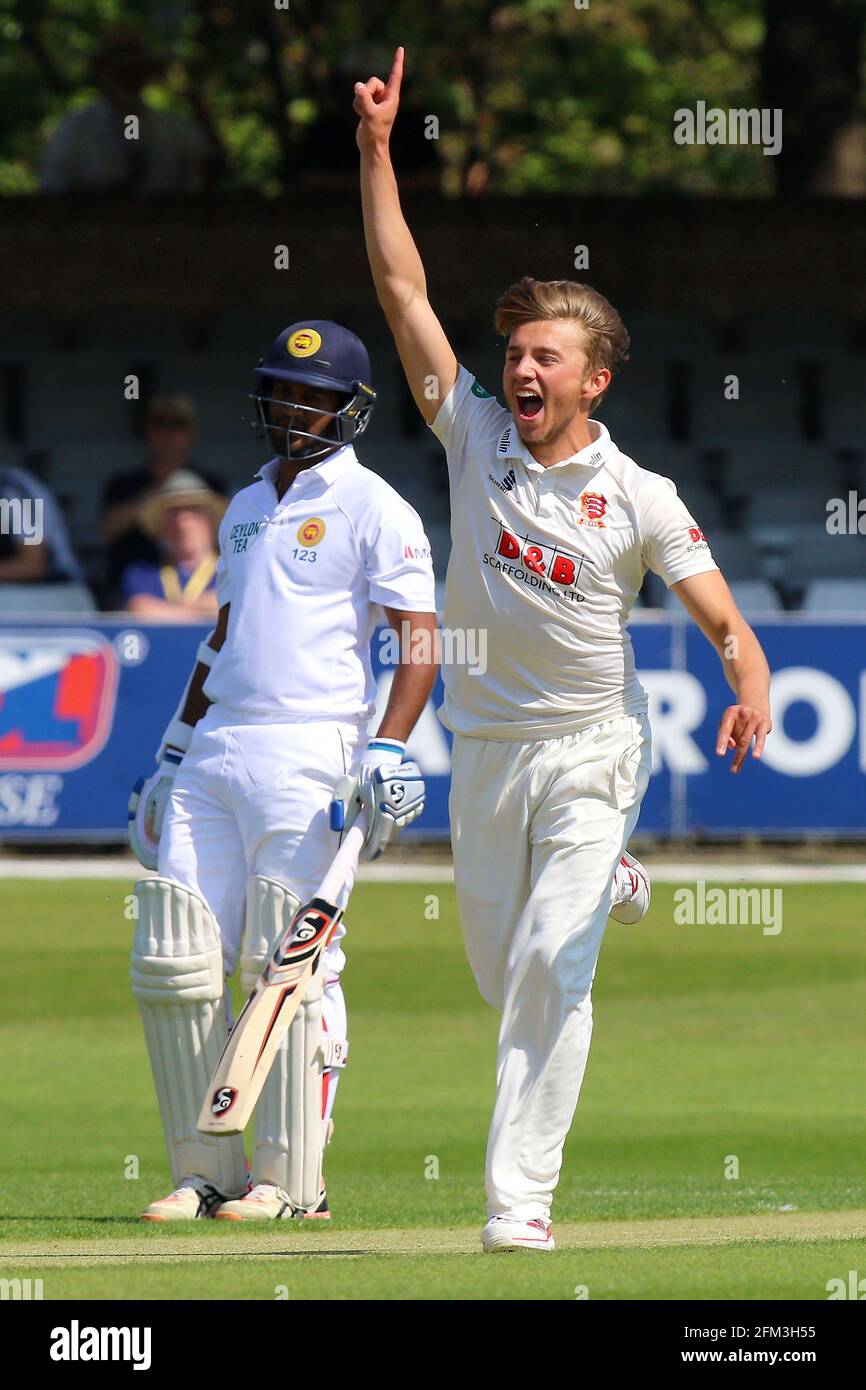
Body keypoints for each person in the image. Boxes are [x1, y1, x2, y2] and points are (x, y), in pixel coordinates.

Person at [354, 48, 774, 1253]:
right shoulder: (472, 436)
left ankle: (515, 1203)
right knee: (501, 973)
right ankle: (614, 887)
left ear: (593, 377)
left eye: (546, 357)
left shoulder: (636, 493)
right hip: (484, 753)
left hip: (594, 750)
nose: (519, 370)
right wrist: (379, 150)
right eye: (515, 353)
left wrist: (746, 687)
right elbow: (399, 288)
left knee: (548, 965)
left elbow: (724, 622)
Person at [127, 320, 438, 1221]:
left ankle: (291, 1181)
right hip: (218, 748)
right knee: (180, 959)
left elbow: (419, 639)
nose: (295, 408)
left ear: (350, 409)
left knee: (289, 961)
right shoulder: (245, 503)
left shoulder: (375, 503)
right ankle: (203, 1170)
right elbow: (222, 637)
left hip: (313, 749)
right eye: (284, 391)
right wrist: (171, 753)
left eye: (314, 395)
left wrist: (386, 747)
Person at [40, 28, 216, 195]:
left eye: (135, 71)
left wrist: (200, 109)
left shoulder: (172, 129)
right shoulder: (77, 128)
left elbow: (212, 168)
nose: (128, 79)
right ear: (103, 73)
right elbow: (51, 188)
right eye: (120, 71)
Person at [101, 393, 224, 601]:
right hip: (138, 581)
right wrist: (159, 496)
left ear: (191, 432)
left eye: (178, 424)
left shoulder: (212, 483)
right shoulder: (124, 484)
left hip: (202, 578)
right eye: (159, 424)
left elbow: (228, 535)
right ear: (146, 431)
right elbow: (107, 530)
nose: (168, 433)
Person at [119, 470, 226, 622]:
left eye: (193, 510)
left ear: (211, 520)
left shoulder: (231, 569)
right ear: (161, 526)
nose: (182, 521)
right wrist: (206, 607)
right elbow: (139, 609)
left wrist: (169, 609)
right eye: (173, 512)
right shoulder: (144, 570)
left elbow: (236, 604)